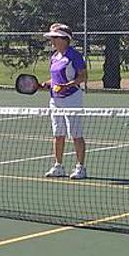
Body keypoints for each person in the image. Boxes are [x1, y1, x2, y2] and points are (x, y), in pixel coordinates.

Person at [42, 23, 88, 179]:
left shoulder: (74, 56)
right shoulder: (54, 57)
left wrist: (66, 86)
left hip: (72, 99)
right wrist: (46, 84)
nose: (52, 41)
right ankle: (58, 166)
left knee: (75, 134)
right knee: (58, 134)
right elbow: (54, 79)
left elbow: (83, 77)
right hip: (55, 100)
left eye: (55, 38)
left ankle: (80, 168)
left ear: (64, 39)